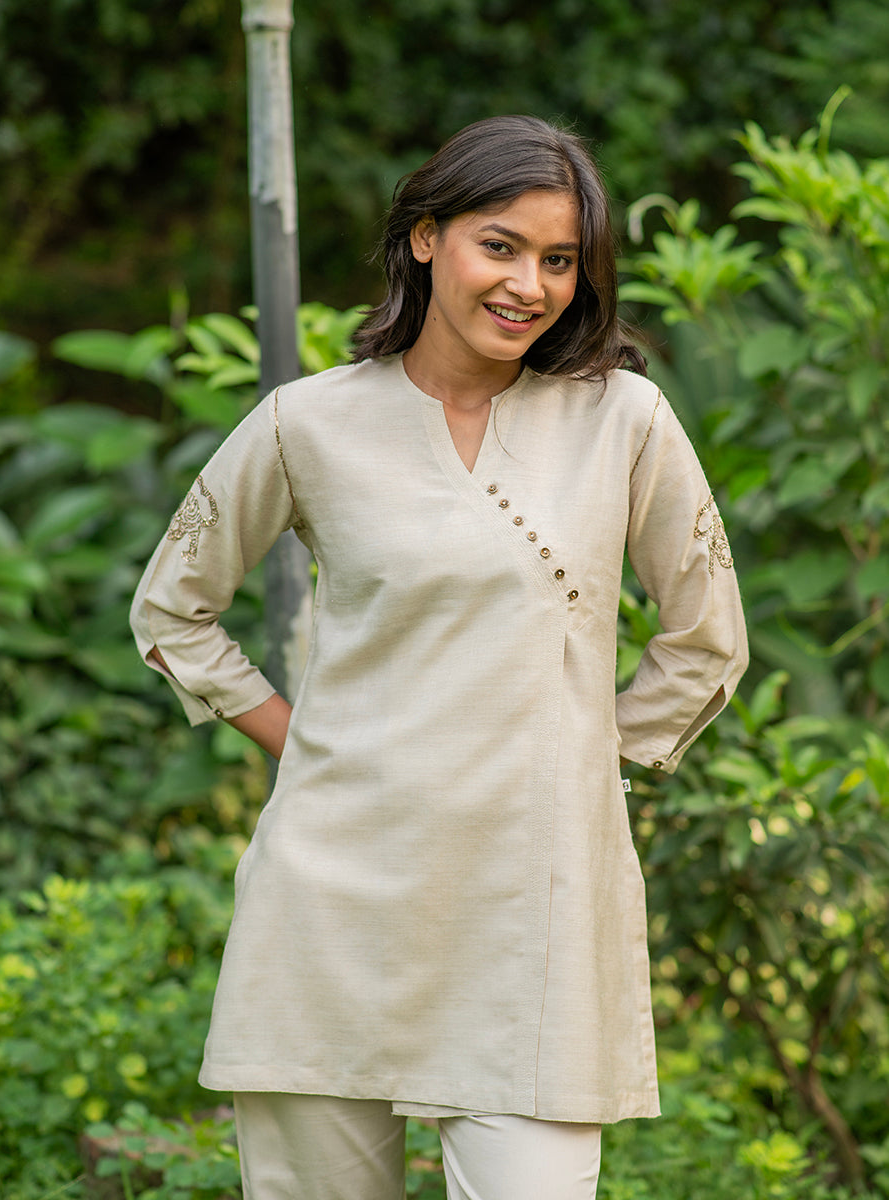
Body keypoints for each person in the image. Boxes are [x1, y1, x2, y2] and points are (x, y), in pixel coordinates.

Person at [130, 114, 748, 1200]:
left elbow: (708, 639)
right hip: (331, 899)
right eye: (499, 246)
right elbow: (173, 609)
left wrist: (586, 764)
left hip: (536, 908)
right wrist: (300, 744)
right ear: (426, 238)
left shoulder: (624, 422)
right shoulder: (308, 424)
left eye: (560, 259)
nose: (529, 285)